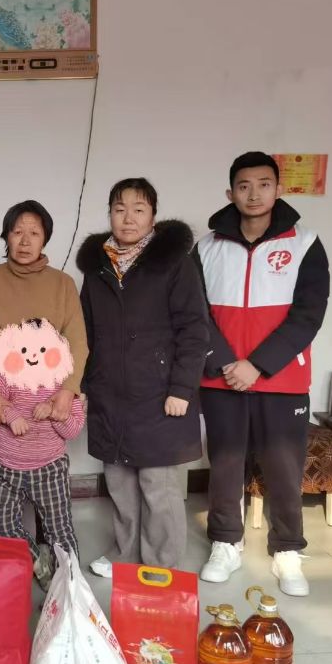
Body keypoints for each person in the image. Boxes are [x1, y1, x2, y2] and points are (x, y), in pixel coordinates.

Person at [194, 151, 330, 597]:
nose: (254, 194)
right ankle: (225, 543)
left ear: (278, 189)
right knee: (225, 463)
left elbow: (309, 314)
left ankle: (287, 548)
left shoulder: (305, 243)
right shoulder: (206, 247)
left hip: (282, 379)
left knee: (284, 467)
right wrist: (225, 362)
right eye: (244, 186)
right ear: (230, 192)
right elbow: (195, 313)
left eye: (264, 184)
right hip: (222, 377)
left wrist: (257, 365)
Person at [76, 178, 208, 577]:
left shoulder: (175, 263)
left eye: (138, 209)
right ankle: (124, 553)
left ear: (153, 216)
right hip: (110, 392)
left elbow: (194, 329)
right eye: (119, 209)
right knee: (119, 481)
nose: (128, 218)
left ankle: (161, 563)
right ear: (109, 215)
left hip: (160, 392)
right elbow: (85, 332)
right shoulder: (99, 268)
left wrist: (182, 388)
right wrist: (83, 385)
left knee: (158, 485)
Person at [0, 201, 88, 539]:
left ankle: (50, 552)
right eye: (17, 231)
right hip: (3, 396)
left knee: (50, 478)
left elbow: (78, 341)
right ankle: (6, 555)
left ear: (45, 238)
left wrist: (68, 392)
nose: (24, 240)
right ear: (6, 236)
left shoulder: (63, 284)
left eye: (34, 233)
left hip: (50, 397)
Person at [0, 318, 85, 588]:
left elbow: (74, 429)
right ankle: (39, 562)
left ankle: (70, 588)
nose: (33, 356)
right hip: (7, 467)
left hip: (49, 468)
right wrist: (10, 415)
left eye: (41, 349)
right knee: (3, 525)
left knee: (59, 529)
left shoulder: (63, 381)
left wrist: (54, 412)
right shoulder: (7, 373)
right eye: (25, 348)